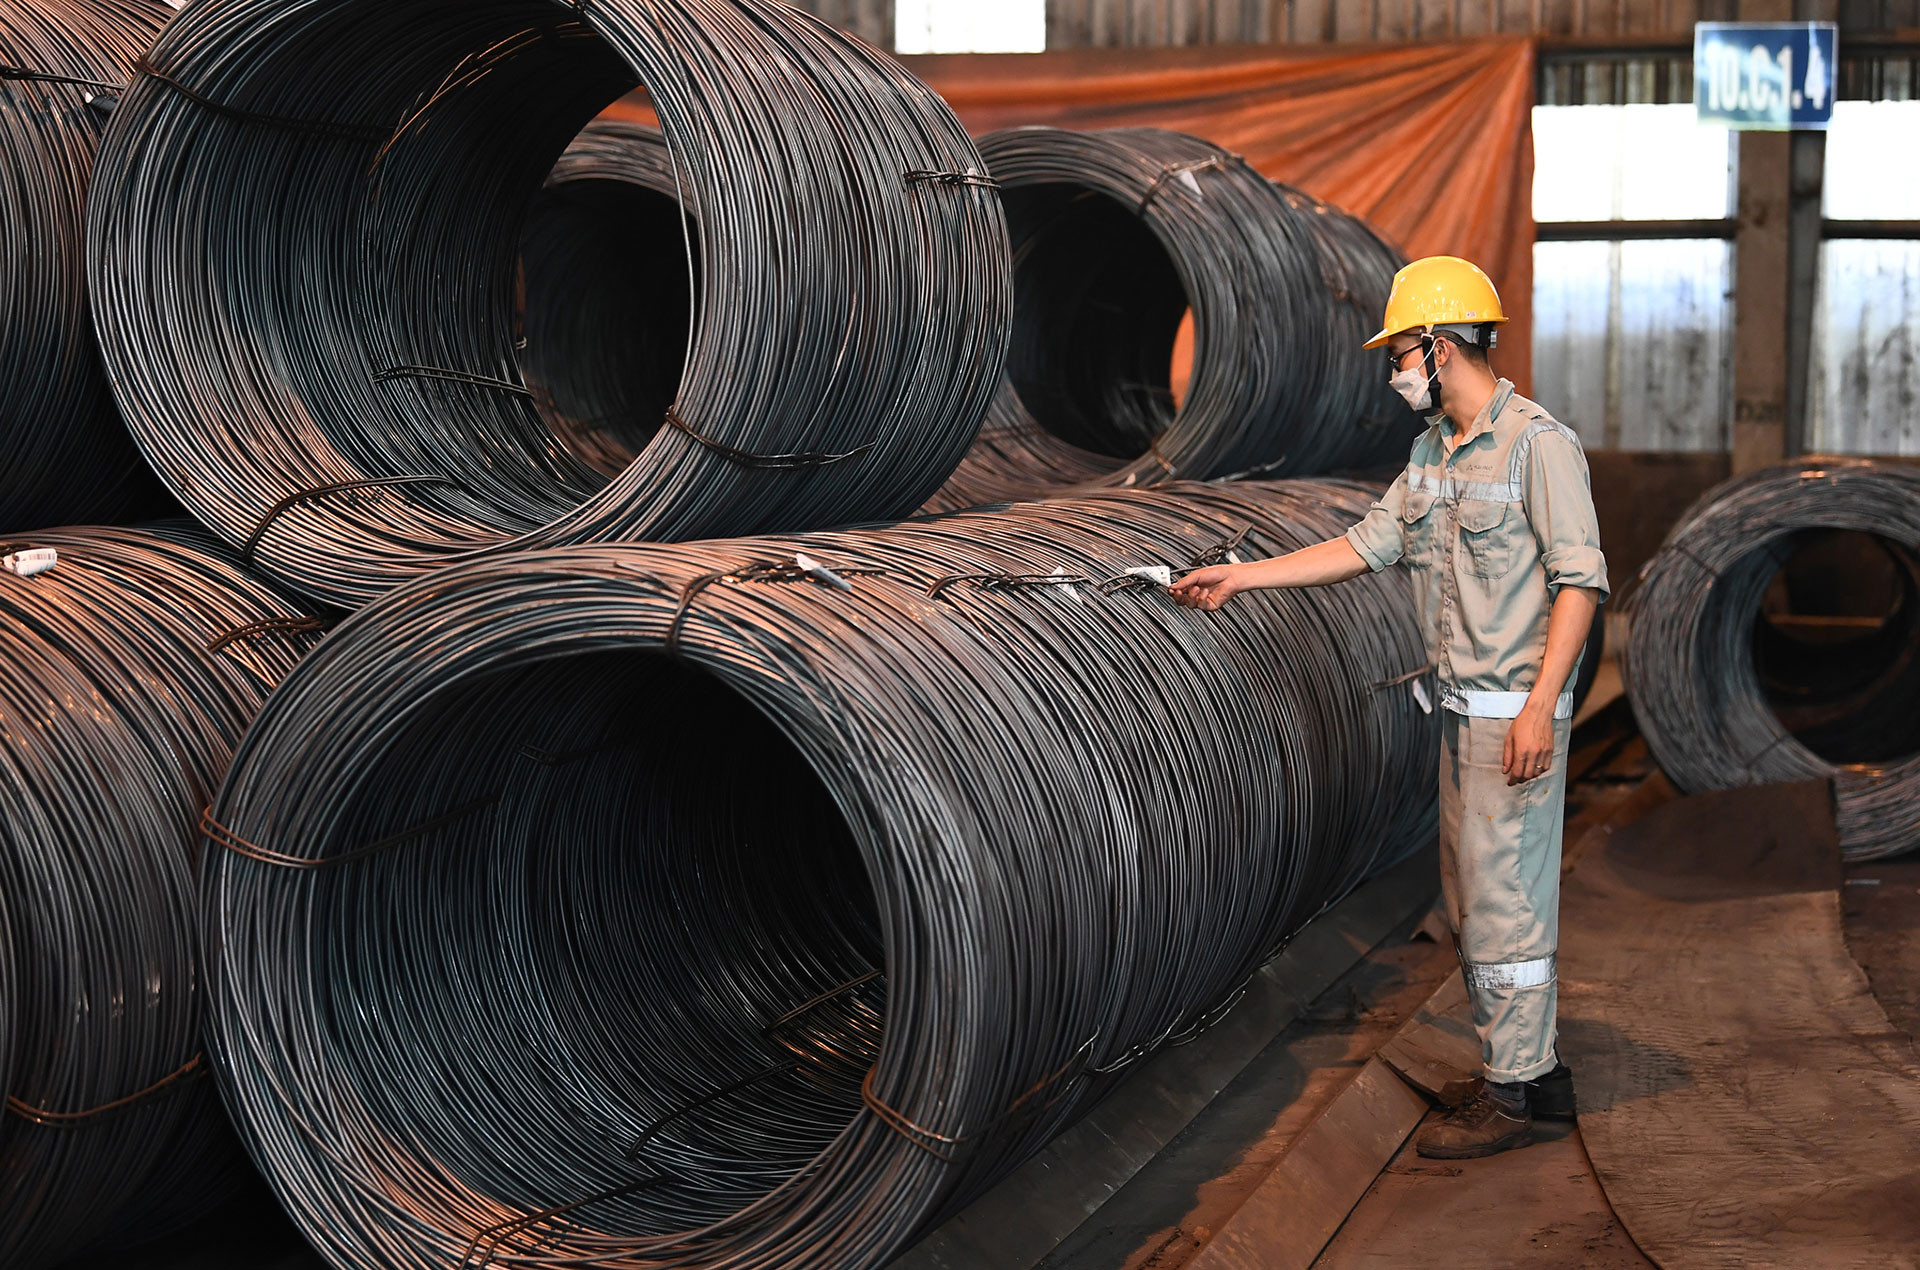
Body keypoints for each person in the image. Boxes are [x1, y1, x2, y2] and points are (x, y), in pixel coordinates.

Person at [1172, 255, 1608, 1160]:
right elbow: (1364, 545)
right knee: (1474, 897)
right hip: (1462, 713)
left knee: (1506, 906)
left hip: (1512, 717)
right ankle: (1534, 1078)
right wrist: (1242, 577)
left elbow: (1580, 583)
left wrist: (1540, 708)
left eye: (1403, 352)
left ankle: (1516, 1097)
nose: (1396, 371)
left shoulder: (1538, 446)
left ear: (1441, 347)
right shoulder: (1432, 452)